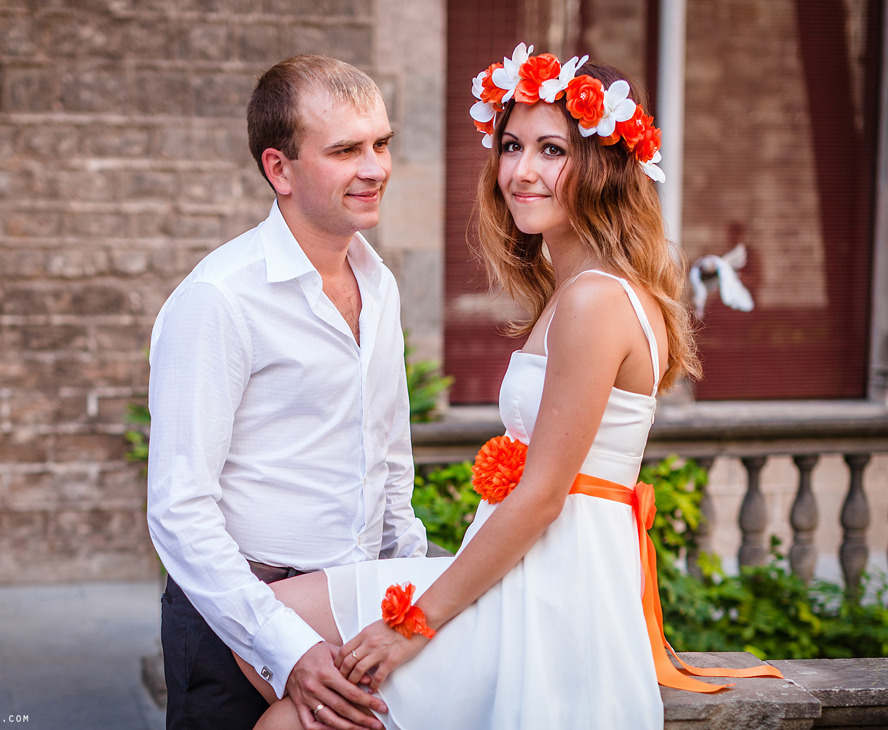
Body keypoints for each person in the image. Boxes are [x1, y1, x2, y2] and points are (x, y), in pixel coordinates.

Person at [239, 44, 783, 729]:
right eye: (511, 146)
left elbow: (542, 498)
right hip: (526, 559)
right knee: (268, 632)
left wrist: (411, 629)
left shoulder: (595, 301)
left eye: (552, 150)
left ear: (605, 164)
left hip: (551, 585)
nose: (522, 172)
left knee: (289, 703)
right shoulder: (579, 290)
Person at [146, 54, 428, 730]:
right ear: (280, 169)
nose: (375, 168)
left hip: (354, 610)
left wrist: (406, 591)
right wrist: (286, 644)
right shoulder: (219, 299)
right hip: (238, 620)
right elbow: (179, 508)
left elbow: (388, 461)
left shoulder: (379, 284)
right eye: (346, 150)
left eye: (381, 143)